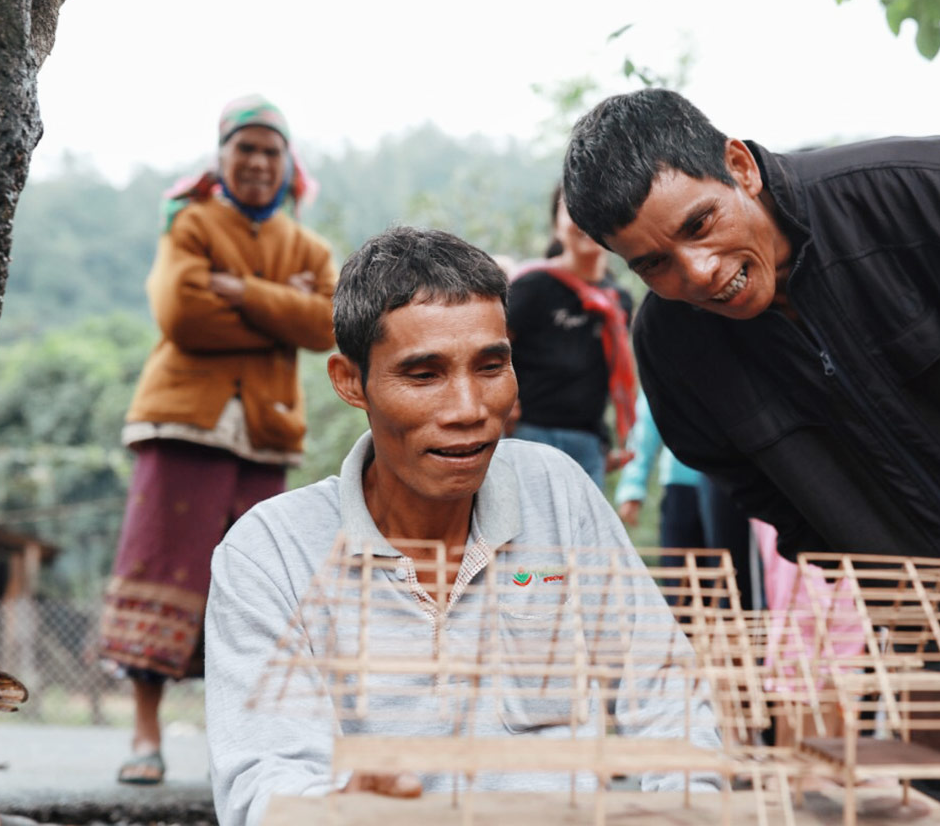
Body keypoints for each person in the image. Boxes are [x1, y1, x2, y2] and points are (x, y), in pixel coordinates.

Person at [561, 87, 940, 821]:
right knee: (935, 789)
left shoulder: (929, 188)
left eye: (701, 223)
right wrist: (860, 552)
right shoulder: (674, 348)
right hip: (918, 585)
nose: (695, 272)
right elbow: (742, 479)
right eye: (654, 263)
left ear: (739, 166)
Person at [203, 227, 720, 826]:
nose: (469, 409)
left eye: (491, 365)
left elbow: (666, 692)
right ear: (350, 381)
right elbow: (264, 777)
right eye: (424, 375)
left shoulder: (557, 491)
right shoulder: (271, 553)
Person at [97, 95, 337, 785]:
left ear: (288, 164)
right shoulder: (192, 222)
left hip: (265, 435)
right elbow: (184, 316)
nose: (258, 162)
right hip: (181, 422)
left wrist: (241, 290)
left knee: (258, 585)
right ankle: (145, 734)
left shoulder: (309, 248)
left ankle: (245, 745)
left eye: (271, 150)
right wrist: (278, 304)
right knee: (160, 568)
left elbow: (325, 326)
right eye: (246, 148)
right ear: (221, 157)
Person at [507, 185, 635, 488]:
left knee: (584, 535)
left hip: (589, 442)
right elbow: (492, 349)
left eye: (596, 207)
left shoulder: (619, 301)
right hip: (530, 434)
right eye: (574, 210)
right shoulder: (532, 285)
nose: (586, 219)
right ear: (556, 225)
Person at [616, 390, 761, 609]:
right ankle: (685, 639)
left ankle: (731, 638)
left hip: (731, 482)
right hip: (681, 483)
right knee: (681, 581)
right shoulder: (670, 362)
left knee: (728, 579)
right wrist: (633, 487)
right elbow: (647, 422)